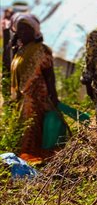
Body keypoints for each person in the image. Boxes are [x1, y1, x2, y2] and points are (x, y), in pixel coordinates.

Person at [10, 14, 58, 159]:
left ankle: (38, 162)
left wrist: (54, 96)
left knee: (34, 135)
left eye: (27, 29)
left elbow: (49, 75)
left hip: (37, 101)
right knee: (22, 134)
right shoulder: (20, 51)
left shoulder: (41, 49)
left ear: (35, 31)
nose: (23, 32)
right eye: (20, 29)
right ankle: (25, 162)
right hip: (21, 102)